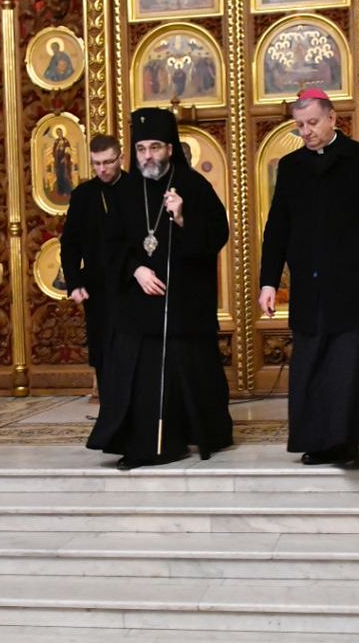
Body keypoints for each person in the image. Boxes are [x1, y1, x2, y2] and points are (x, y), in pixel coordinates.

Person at [87, 108, 232, 469]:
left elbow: (217, 236)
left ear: (170, 148)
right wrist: (135, 269)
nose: (148, 156)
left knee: (183, 374)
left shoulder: (195, 187)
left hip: (182, 307)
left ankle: (191, 434)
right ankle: (144, 442)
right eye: (141, 149)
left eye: (155, 147)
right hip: (137, 307)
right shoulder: (124, 192)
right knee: (141, 378)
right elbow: (109, 244)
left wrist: (183, 218)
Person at [259, 88, 359, 468]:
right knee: (311, 367)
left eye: (313, 123)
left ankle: (347, 444)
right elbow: (277, 228)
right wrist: (268, 281)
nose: (306, 132)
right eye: (299, 125)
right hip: (309, 288)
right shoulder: (291, 167)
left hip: (352, 285)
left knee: (346, 369)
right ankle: (317, 441)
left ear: (333, 117)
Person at [61, 135, 128, 383]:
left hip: (132, 284)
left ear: (120, 158)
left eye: (108, 162)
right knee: (104, 354)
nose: (102, 169)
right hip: (97, 287)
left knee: (134, 352)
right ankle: (109, 412)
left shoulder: (137, 188)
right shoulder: (83, 195)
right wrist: (74, 282)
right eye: (96, 163)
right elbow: (69, 243)